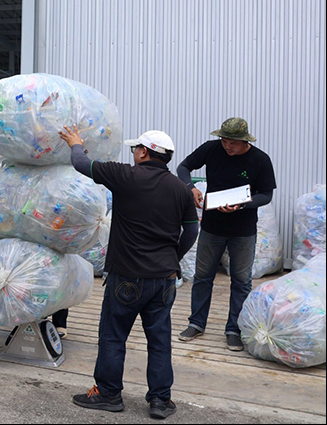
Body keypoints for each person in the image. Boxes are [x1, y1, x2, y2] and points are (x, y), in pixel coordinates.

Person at [59, 126, 198, 420]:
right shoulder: (180, 189)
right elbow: (192, 230)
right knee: (159, 340)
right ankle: (160, 400)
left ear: (145, 152)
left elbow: (81, 164)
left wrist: (76, 143)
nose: (133, 152)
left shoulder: (125, 176)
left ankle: (109, 394)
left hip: (126, 276)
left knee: (113, 336)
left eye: (136, 148)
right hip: (164, 279)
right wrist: (174, 259)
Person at [175, 117, 276, 351]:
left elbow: (266, 195)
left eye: (232, 143)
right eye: (224, 141)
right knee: (202, 277)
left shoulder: (260, 160)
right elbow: (183, 167)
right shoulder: (211, 149)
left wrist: (242, 205)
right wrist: (191, 189)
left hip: (243, 231)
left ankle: (234, 330)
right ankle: (196, 323)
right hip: (212, 227)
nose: (227, 146)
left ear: (244, 141)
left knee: (241, 281)